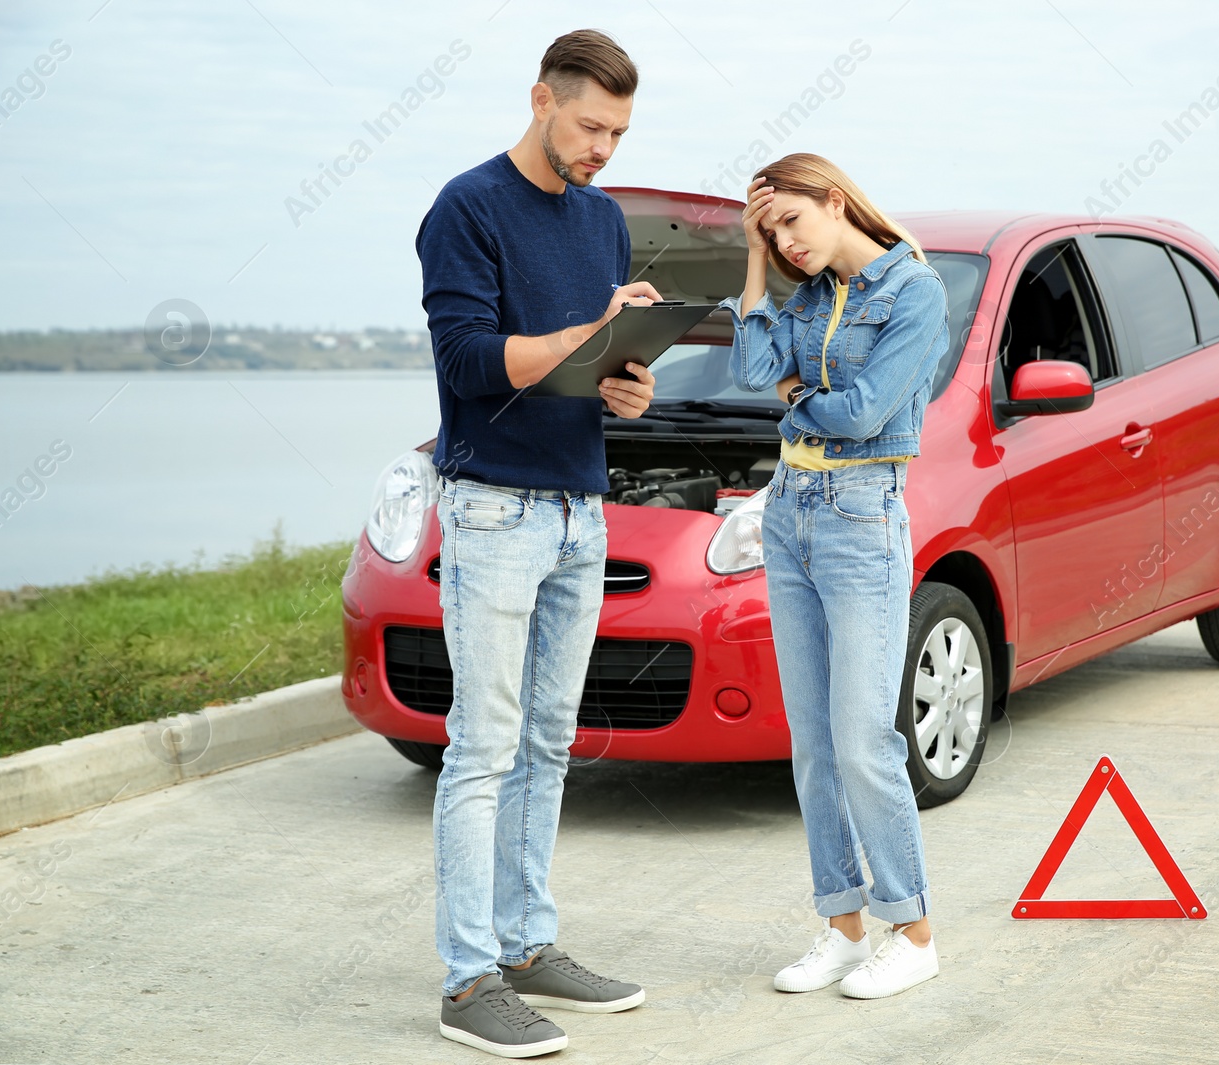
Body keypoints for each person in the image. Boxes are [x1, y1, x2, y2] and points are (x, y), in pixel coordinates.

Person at [414, 28, 662, 1058]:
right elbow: (472, 363)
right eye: (590, 126)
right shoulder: (465, 209)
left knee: (552, 743)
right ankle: (469, 983)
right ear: (540, 99)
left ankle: (527, 945)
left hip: (578, 506)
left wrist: (628, 383)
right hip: (493, 510)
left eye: (618, 132)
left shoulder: (604, 220)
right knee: (483, 744)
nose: (603, 149)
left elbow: (596, 368)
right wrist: (586, 331)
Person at [717, 153, 950, 999]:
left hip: (861, 518)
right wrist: (751, 263)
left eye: (792, 221)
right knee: (812, 745)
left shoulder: (914, 293)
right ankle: (844, 926)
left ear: (835, 198)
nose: (787, 241)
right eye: (770, 232)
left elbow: (863, 413)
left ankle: (913, 930)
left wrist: (791, 391)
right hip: (788, 513)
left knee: (863, 739)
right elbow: (747, 367)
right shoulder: (808, 297)